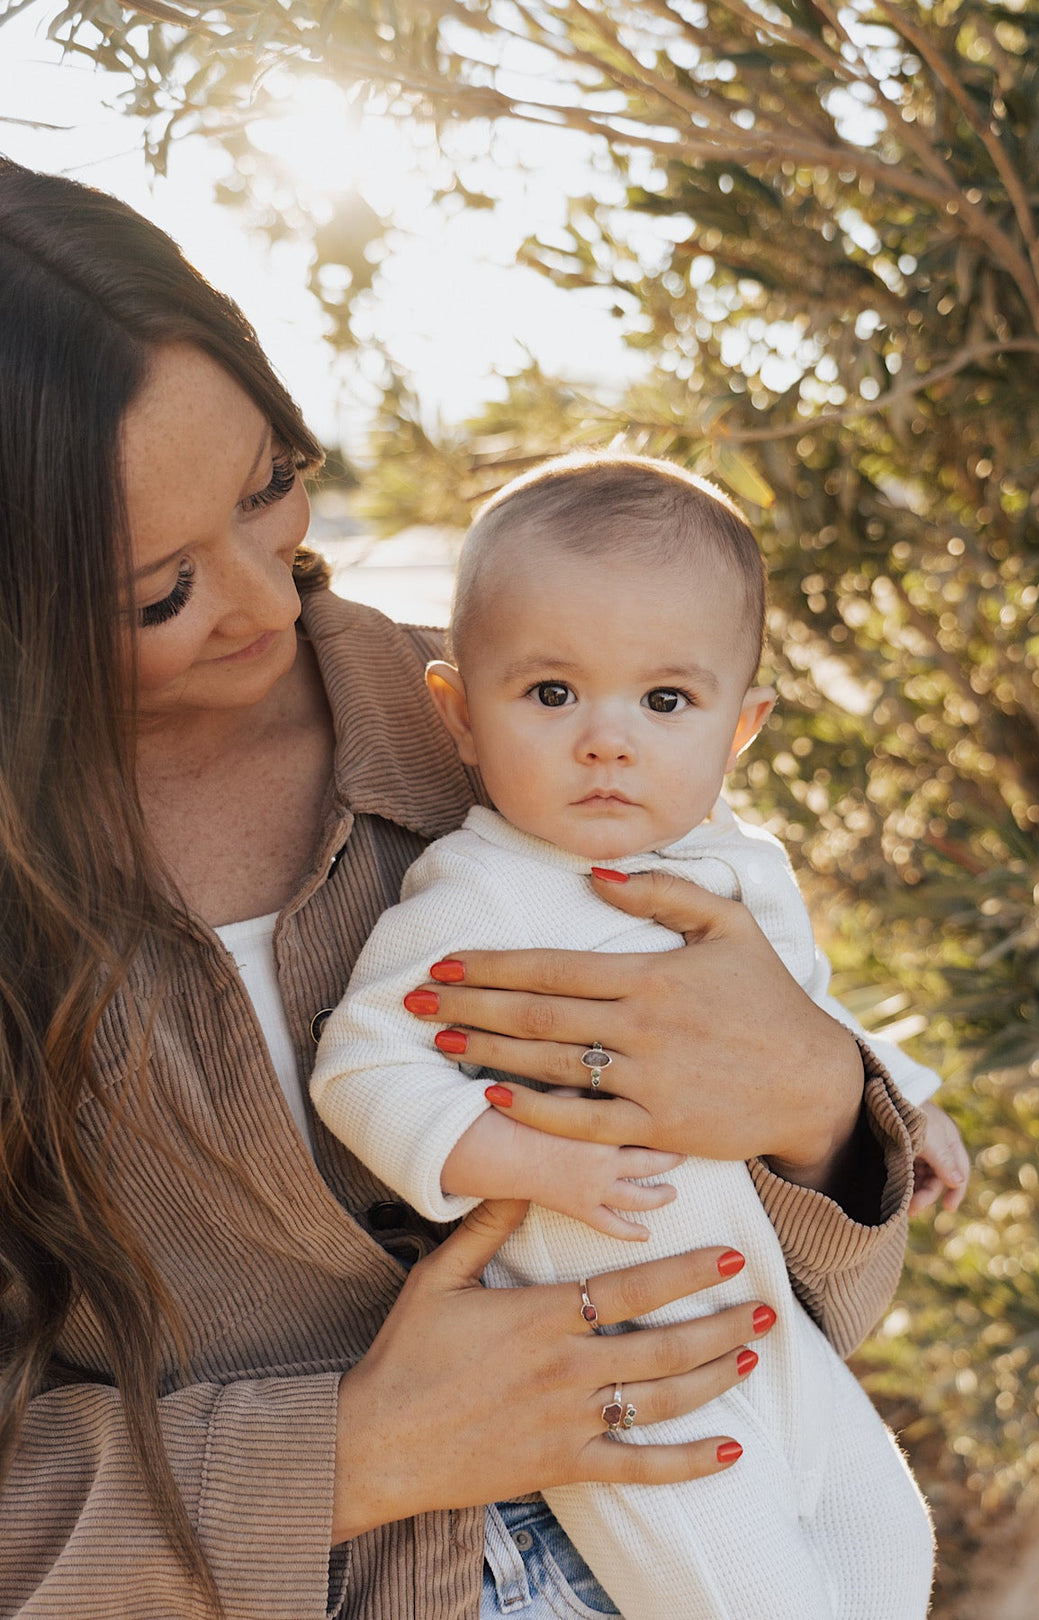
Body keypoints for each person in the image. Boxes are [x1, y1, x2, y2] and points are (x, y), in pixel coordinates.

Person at [0, 157, 926, 1620]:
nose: (264, 597)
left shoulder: (541, 717)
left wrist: (824, 1114)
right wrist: (346, 1457)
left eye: (272, 487)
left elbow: (810, 1307)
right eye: (156, 594)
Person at [311, 455, 968, 1619]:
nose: (606, 742)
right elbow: (361, 1067)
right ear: (458, 716)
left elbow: (812, 1008)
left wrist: (904, 1100)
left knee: (886, 1545)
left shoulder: (734, 868)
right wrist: (524, 1159)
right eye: (552, 694)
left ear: (741, 725)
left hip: (762, 1326)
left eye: (665, 703)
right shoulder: (479, 893)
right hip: (607, 1370)